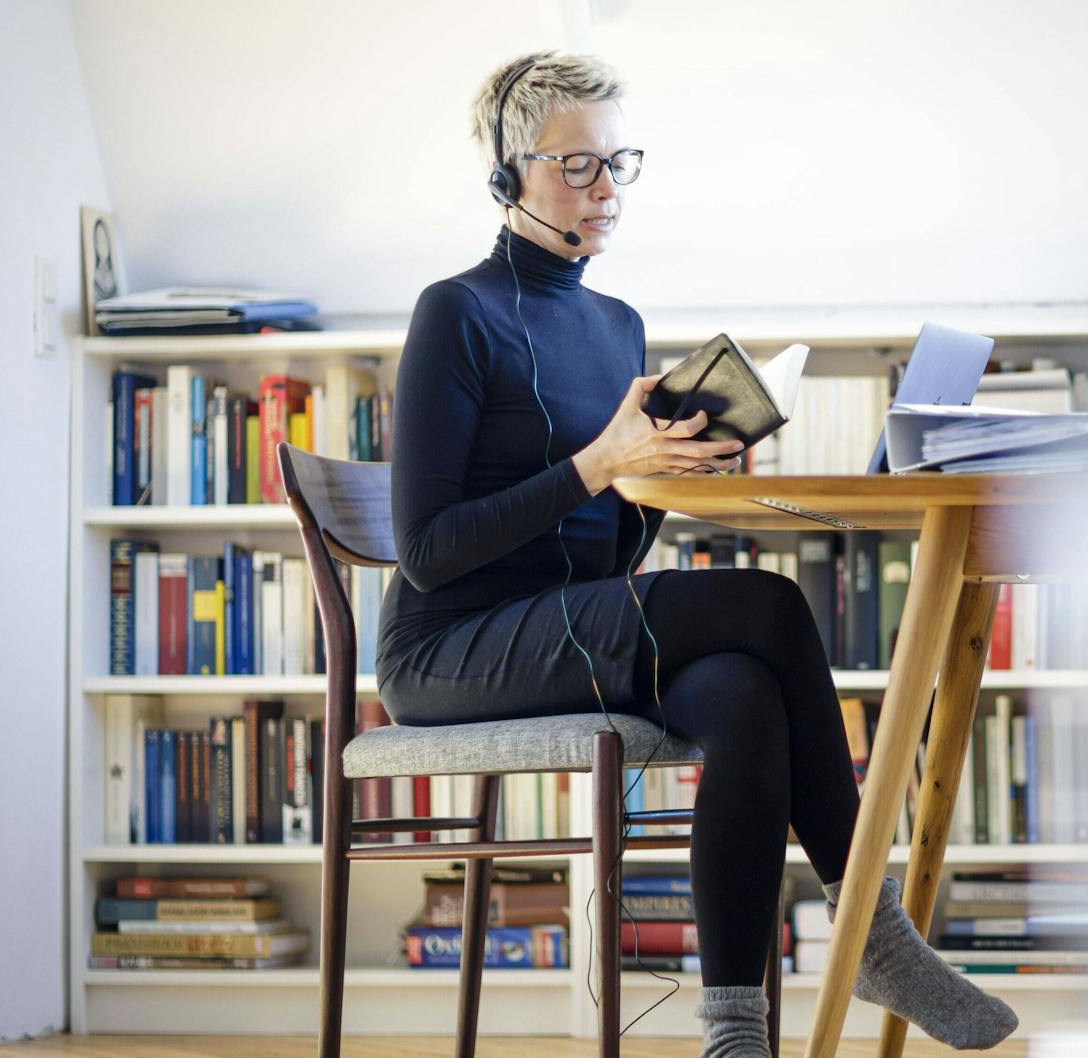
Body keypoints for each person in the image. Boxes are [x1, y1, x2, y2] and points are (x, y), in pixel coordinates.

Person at [374, 50, 1018, 1058]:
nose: (608, 189)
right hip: (447, 648)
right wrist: (599, 462)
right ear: (508, 174)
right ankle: (875, 927)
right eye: (578, 165)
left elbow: (608, 537)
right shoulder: (454, 312)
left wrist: (674, 474)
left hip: (566, 625)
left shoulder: (614, 323)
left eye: (618, 162)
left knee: (740, 692)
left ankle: (733, 1032)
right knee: (765, 604)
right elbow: (423, 551)